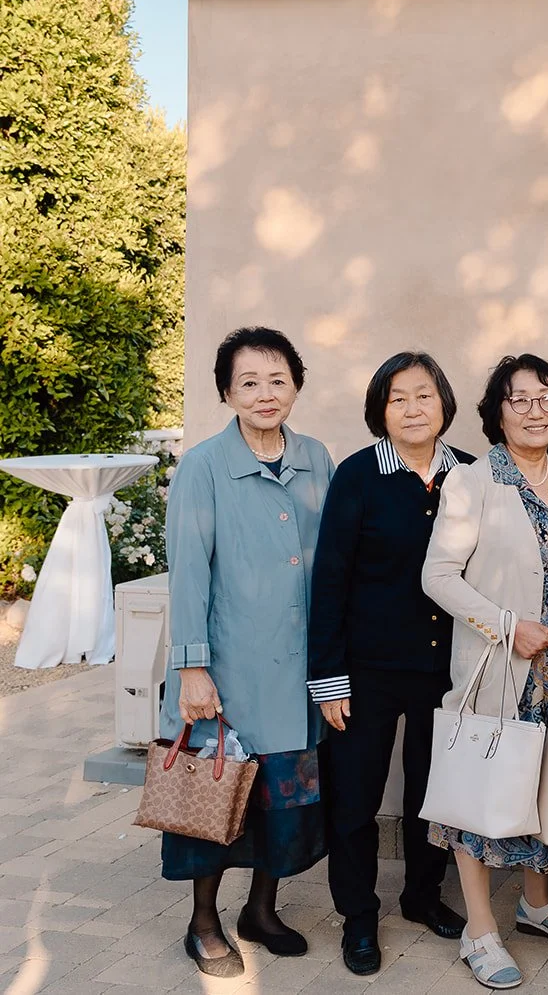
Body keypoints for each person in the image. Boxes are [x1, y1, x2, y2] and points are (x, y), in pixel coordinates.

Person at [159, 326, 335, 979]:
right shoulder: (203, 466)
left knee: (283, 803)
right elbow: (188, 573)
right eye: (250, 382)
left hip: (296, 675)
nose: (266, 393)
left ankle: (261, 910)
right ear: (227, 392)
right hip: (226, 673)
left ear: (296, 384)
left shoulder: (316, 457)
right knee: (215, 800)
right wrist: (192, 666)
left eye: (278, 379)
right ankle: (203, 923)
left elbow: (336, 560)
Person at [307, 352, 474, 976]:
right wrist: (328, 679)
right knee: (355, 798)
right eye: (398, 397)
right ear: (381, 409)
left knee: (435, 794)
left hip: (444, 669)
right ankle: (358, 918)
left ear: (444, 404)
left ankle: (422, 895)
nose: (412, 408)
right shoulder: (358, 476)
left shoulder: (468, 475)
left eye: (424, 396)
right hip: (365, 670)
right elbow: (329, 582)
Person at [421, 354, 548, 990]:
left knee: (542, 784)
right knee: (484, 783)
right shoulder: (474, 480)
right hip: (498, 662)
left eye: (547, 397)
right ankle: (479, 930)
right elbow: (436, 576)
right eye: (521, 400)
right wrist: (507, 625)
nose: (536, 410)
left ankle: (536, 903)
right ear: (497, 413)